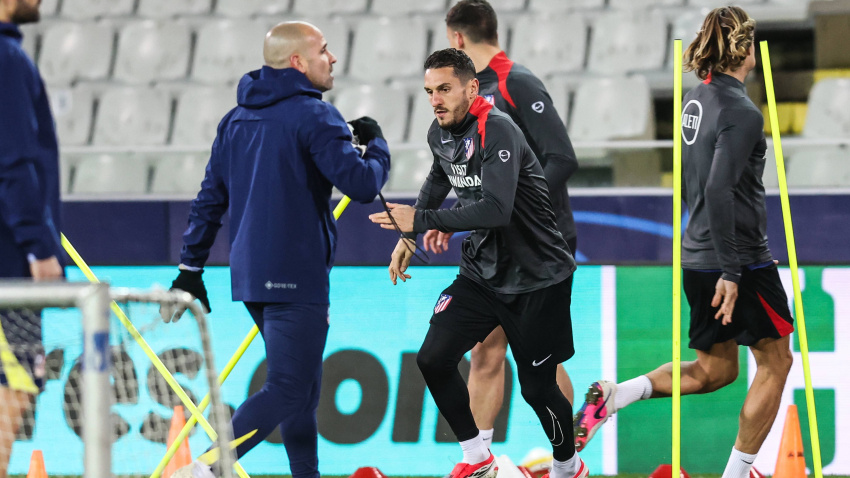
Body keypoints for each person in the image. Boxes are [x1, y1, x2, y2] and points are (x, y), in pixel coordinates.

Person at [572, 7, 794, 478]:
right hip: (739, 259)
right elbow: (718, 188)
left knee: (717, 371)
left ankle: (620, 394)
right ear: (743, 49)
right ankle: (740, 473)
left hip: (696, 253)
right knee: (776, 361)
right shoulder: (742, 111)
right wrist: (733, 272)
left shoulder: (696, 98)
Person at [164, 21, 390, 478]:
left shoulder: (235, 120)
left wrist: (191, 267)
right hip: (298, 275)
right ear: (298, 62)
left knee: (303, 389)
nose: (333, 59)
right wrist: (377, 143)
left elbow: (210, 199)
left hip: (250, 276)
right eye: (324, 51)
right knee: (289, 387)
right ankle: (206, 469)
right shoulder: (316, 116)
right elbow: (363, 184)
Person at [369, 48, 586, 478]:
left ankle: (568, 466)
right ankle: (476, 459)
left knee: (538, 389)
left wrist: (423, 220)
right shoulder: (440, 131)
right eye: (430, 91)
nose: (435, 99)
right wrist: (411, 237)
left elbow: (496, 210)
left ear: (471, 88)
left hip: (537, 277)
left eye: (445, 89)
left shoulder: (498, 129)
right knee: (432, 358)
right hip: (483, 273)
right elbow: (437, 177)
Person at [421, 0, 580, 450]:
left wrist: (516, 216)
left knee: (537, 371)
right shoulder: (461, 100)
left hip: (540, 243)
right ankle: (481, 457)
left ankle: (565, 456)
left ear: (456, 37)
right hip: (493, 238)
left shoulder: (516, 82)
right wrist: (462, 218)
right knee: (485, 351)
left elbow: (562, 158)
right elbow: (463, 170)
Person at [0, 0, 64, 476]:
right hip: (8, 259)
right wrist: (39, 247)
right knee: (15, 383)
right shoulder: (7, 58)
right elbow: (14, 160)